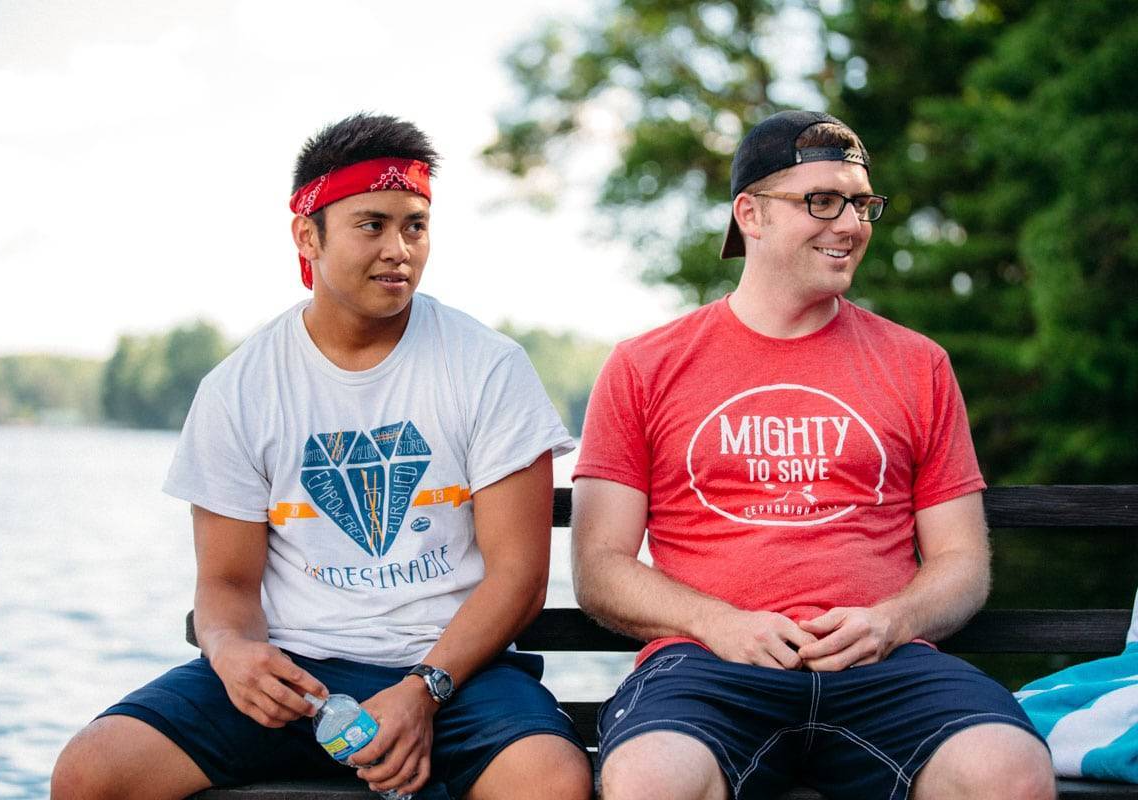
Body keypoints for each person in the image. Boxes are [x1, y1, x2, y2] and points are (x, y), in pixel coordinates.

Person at [52, 113, 591, 800]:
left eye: (416, 225)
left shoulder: (488, 368)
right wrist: (234, 653)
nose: (400, 249)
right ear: (308, 234)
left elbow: (518, 578)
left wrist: (422, 691)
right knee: (92, 771)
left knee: (550, 782)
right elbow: (226, 584)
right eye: (373, 225)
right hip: (298, 675)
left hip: (457, 674)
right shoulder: (240, 389)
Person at [571, 110, 1055, 800]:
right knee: (651, 778)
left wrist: (893, 620)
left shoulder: (918, 364)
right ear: (751, 214)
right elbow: (599, 567)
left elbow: (961, 562)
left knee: (1009, 769)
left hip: (884, 665)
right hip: (710, 666)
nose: (851, 224)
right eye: (821, 201)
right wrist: (720, 624)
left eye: (861, 203)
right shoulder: (646, 364)